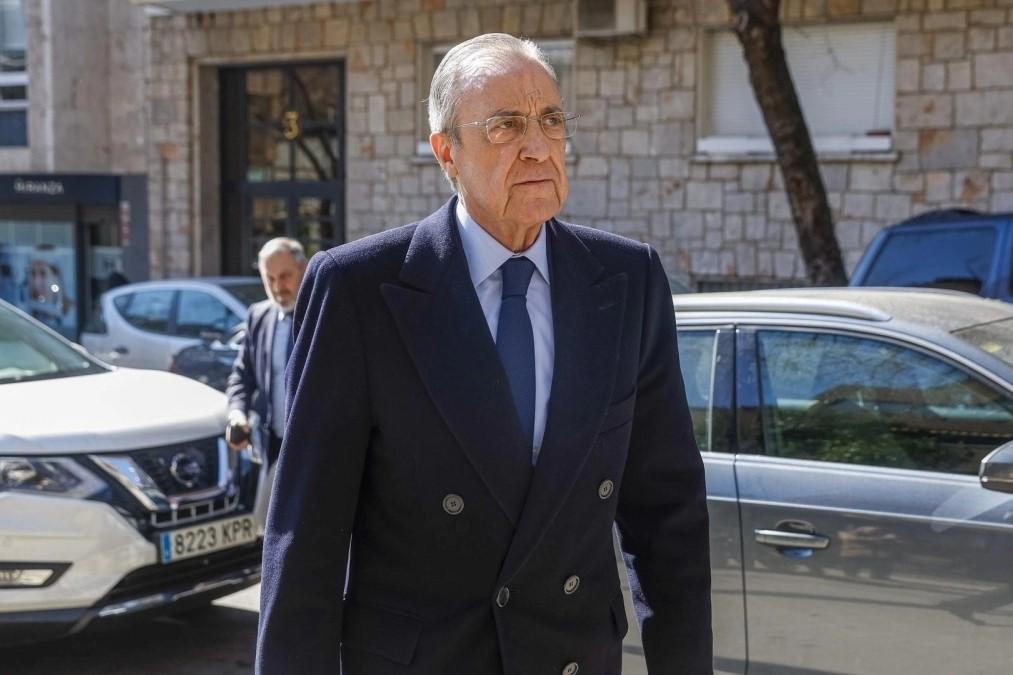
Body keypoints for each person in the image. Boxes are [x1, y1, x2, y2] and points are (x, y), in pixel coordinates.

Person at [257, 34, 712, 675]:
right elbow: (305, 536)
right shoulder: (360, 289)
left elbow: (667, 513)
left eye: (551, 120)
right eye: (506, 126)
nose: (538, 146)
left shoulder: (626, 279)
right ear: (447, 152)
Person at [225, 237, 307, 467]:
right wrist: (237, 414)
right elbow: (242, 375)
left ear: (304, 269)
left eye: (285, 276)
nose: (278, 287)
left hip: (315, 451)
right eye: (269, 278)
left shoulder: (321, 316)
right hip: (271, 449)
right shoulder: (258, 316)